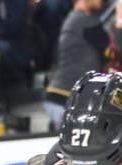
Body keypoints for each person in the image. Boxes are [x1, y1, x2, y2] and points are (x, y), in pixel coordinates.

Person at [44, 0, 108, 129]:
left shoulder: (74, 20)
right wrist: (121, 19)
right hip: (65, 97)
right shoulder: (83, 20)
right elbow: (113, 51)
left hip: (62, 96)